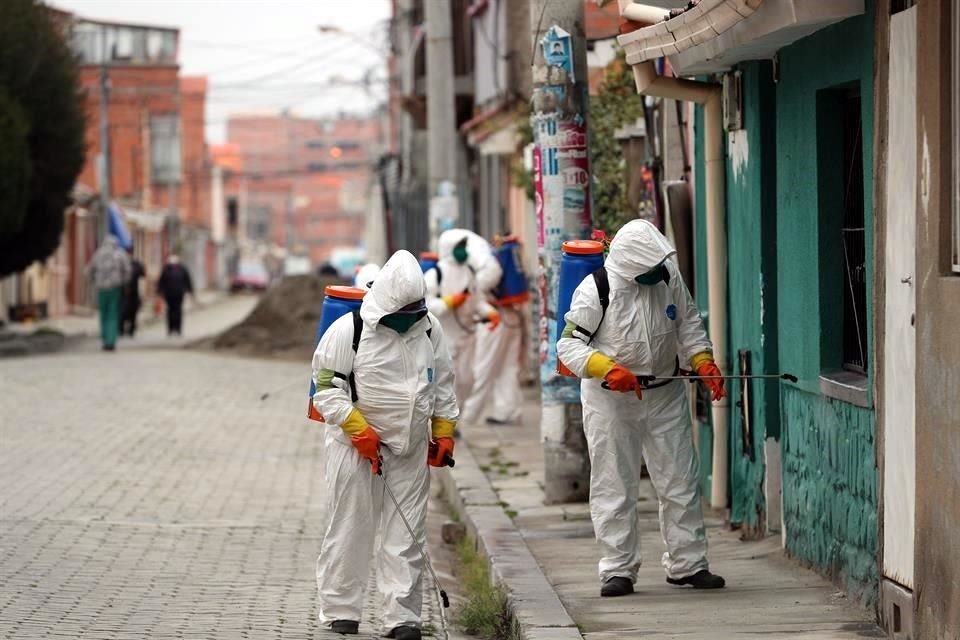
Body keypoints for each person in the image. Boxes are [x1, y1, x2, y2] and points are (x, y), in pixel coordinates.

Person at [557, 219, 727, 597]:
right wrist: (606, 367)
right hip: (611, 401)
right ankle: (617, 569)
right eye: (648, 268)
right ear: (631, 265)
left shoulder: (667, 276)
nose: (656, 272)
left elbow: (688, 325)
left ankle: (688, 564)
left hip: (665, 392)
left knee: (680, 479)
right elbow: (568, 346)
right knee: (614, 483)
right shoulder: (597, 289)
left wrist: (703, 361)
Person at [311, 250, 458, 640]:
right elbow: (325, 389)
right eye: (403, 312)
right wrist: (356, 428)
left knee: (407, 535)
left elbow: (442, 384)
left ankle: (402, 618)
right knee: (351, 527)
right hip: (355, 448)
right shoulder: (350, 330)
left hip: (409, 449)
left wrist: (443, 432)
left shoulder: (429, 329)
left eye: (415, 311)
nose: (410, 319)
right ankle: (342, 610)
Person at [424, 229, 500, 409]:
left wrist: (489, 313)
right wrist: (447, 303)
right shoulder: (436, 273)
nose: (463, 250)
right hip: (443, 336)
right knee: (446, 382)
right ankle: (445, 423)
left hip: (467, 335)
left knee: (467, 381)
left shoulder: (469, 271)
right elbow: (425, 303)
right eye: (459, 247)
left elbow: (476, 299)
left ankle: (454, 419)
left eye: (464, 246)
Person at [461, 236, 524, 427]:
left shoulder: (480, 259)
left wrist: (471, 291)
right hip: (509, 314)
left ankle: (467, 416)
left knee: (482, 368)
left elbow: (490, 275)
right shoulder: (490, 254)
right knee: (507, 367)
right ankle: (507, 411)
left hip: (493, 317)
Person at [85, 235, 131, 352]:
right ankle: (111, 341)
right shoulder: (120, 254)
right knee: (112, 314)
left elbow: (90, 270)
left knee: (103, 314)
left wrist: (93, 282)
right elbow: (127, 270)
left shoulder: (98, 254)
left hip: (101, 288)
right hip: (115, 288)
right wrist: (124, 282)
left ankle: (105, 339)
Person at [156, 254, 194, 336]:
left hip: (179, 294)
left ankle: (178, 329)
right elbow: (161, 282)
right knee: (170, 311)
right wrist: (159, 292)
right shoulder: (166, 270)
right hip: (169, 294)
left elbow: (187, 280)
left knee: (178, 311)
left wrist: (190, 291)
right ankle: (171, 329)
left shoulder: (182, 269)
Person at [120, 246, 146, 337]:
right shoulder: (134, 264)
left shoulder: (135, 264)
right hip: (126, 291)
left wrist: (142, 293)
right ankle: (124, 330)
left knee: (130, 311)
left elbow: (142, 279)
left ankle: (128, 330)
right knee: (126, 311)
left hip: (130, 292)